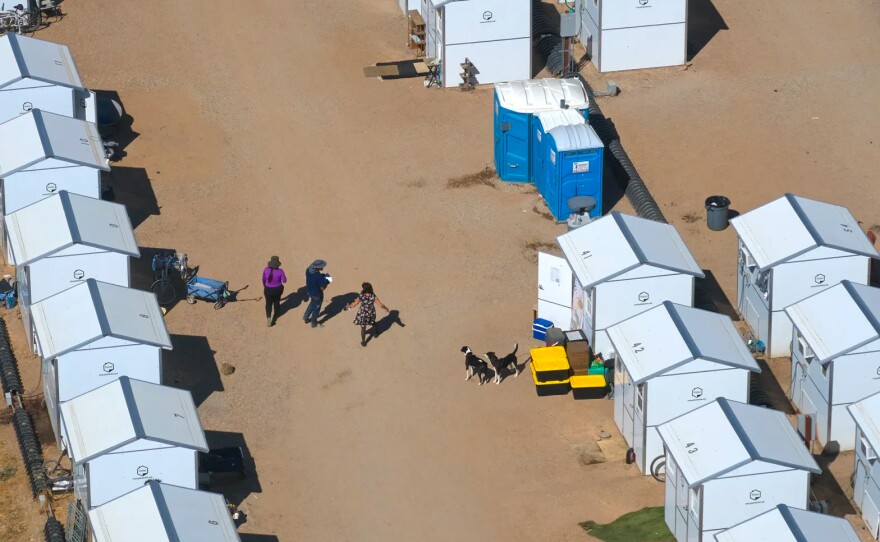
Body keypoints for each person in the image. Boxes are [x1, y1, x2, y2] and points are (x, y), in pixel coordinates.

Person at [346, 282, 389, 346]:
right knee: (373, 322)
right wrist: (386, 308)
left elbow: (355, 304)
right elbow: (380, 305)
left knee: (363, 328)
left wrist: (349, 306)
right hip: (371, 313)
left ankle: (363, 342)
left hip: (363, 313)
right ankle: (376, 333)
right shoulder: (373, 296)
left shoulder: (361, 296)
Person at [304, 259, 331, 328]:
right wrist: (328, 280)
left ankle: (305, 317)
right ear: (318, 267)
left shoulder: (308, 270)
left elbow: (315, 279)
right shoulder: (318, 276)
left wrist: (322, 276)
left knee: (312, 303)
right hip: (317, 294)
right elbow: (322, 287)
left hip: (310, 291)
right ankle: (314, 323)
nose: (323, 267)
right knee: (316, 309)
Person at [262, 256, 287, 327]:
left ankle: (269, 318)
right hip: (278, 289)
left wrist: (265, 286)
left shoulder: (266, 269)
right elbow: (284, 280)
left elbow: (263, 279)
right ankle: (276, 314)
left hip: (268, 289)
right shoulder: (280, 271)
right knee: (277, 301)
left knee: (268, 303)